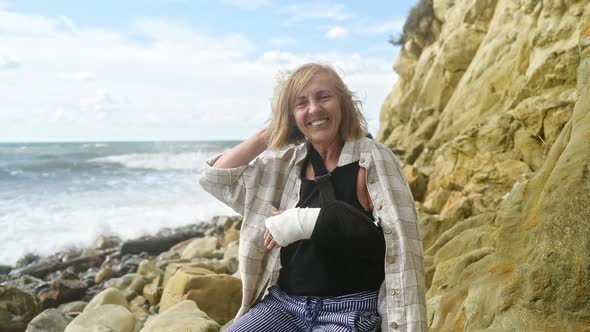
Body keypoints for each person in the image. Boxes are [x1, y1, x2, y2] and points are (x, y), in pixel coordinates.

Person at [199, 63, 426, 332]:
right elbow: (216, 178)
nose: (314, 109)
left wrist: (301, 221)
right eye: (301, 103)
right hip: (284, 305)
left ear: (342, 103)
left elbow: (401, 245)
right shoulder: (285, 164)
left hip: (349, 310)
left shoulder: (372, 159)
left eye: (324, 97)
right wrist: (270, 133)